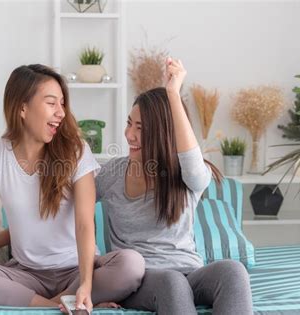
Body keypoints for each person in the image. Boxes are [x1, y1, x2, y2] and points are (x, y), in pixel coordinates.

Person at [0, 64, 144, 312]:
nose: (61, 113)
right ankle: (57, 307)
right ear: (22, 107)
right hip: (26, 277)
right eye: (52, 103)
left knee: (131, 264)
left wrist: (85, 284)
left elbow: (85, 224)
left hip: (75, 273)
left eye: (62, 104)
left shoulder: (76, 151)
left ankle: (66, 300)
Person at [95, 58, 253, 315]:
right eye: (128, 124)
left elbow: (189, 157)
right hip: (143, 281)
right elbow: (72, 212)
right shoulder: (112, 173)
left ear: (162, 133)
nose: (129, 135)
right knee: (172, 282)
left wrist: (172, 93)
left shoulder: (188, 175)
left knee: (234, 271)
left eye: (140, 128)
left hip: (190, 272)